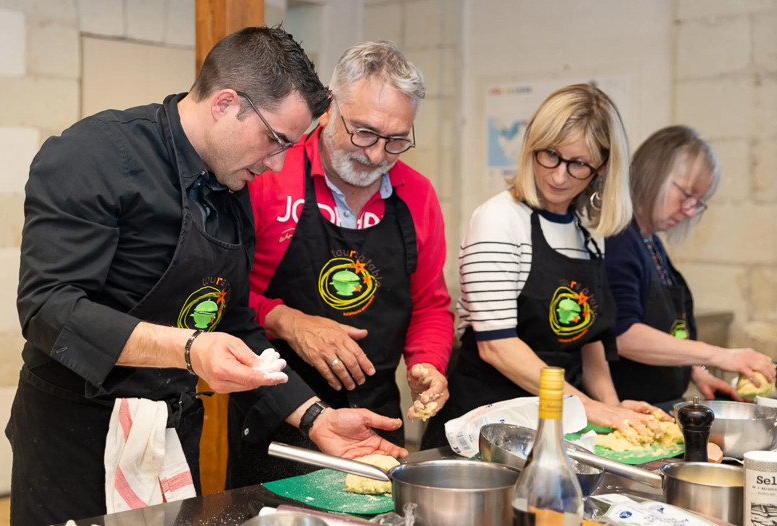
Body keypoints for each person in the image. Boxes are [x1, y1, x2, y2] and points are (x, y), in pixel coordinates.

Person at [9, 27, 403, 526]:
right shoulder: (93, 156)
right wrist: (190, 349)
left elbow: (235, 320)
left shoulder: (231, 179)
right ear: (224, 103)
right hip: (75, 440)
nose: (278, 161)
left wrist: (314, 416)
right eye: (275, 140)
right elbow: (49, 309)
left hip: (171, 431)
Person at [226, 41, 454, 487]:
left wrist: (428, 363)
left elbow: (430, 305)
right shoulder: (268, 177)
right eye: (364, 133)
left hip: (376, 423)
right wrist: (288, 321)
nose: (375, 155)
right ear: (329, 107)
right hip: (281, 418)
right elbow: (225, 298)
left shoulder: (417, 195)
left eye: (396, 141)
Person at [422, 83, 671, 450]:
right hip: (489, 430)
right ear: (531, 147)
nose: (558, 176)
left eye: (578, 164)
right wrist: (587, 407)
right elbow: (498, 347)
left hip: (558, 424)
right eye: (550, 155)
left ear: (601, 168)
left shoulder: (587, 230)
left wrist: (612, 408)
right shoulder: (499, 219)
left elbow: (589, 344)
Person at [605, 125, 776, 411]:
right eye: (686, 195)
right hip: (627, 407)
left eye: (697, 203)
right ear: (653, 174)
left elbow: (660, 328)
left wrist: (696, 372)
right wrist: (721, 356)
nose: (688, 211)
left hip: (660, 405)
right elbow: (624, 336)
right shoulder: (618, 239)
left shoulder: (650, 241)